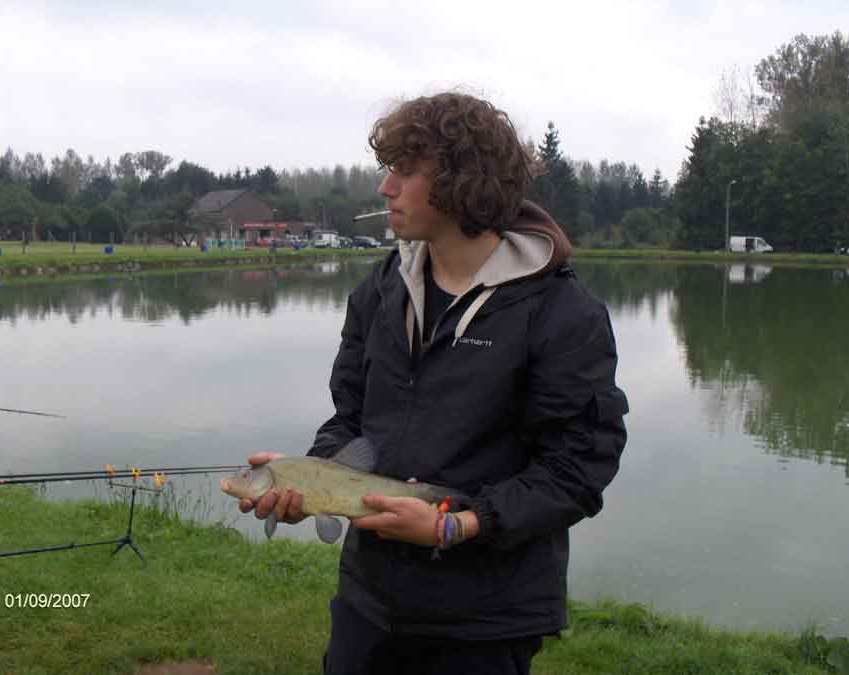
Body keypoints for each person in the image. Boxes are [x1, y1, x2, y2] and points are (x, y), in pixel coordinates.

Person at [239, 92, 628, 675]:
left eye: (403, 170)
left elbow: (578, 467)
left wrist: (456, 526)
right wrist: (310, 479)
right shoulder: (380, 290)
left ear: (460, 182)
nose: (385, 188)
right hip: (369, 602)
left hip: (487, 617)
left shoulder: (561, 313)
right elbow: (351, 418)